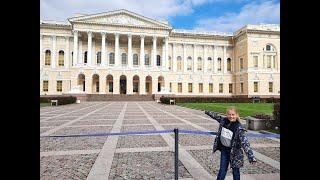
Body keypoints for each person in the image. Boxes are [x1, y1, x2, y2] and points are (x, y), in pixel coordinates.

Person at [205, 107, 257, 180]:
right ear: (227, 115)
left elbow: (245, 143)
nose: (231, 116)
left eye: (233, 114)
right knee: (222, 170)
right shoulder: (224, 121)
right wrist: (207, 112)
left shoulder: (239, 127)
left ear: (236, 115)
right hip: (224, 150)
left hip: (235, 153)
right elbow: (216, 116)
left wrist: (251, 157)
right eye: (229, 114)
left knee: (235, 171)